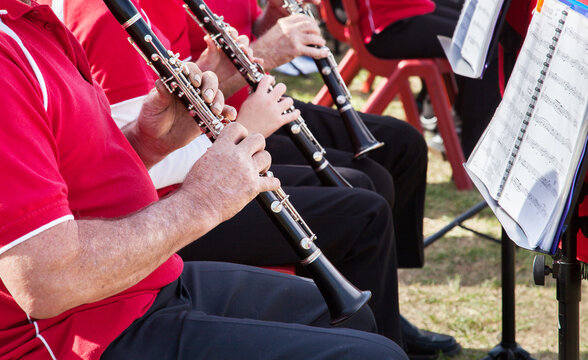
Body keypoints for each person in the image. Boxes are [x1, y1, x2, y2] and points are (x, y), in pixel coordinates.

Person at [0, 0, 411, 358]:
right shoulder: (24, 45)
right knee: (375, 351)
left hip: (140, 281)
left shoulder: (34, 22)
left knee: (351, 315)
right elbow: (47, 281)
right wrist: (204, 198)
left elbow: (72, 176)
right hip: (80, 332)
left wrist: (148, 143)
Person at [139, 0, 460, 359]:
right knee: (366, 197)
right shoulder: (119, 16)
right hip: (189, 180)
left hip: (231, 123)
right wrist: (247, 120)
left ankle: (385, 311)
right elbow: (149, 141)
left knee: (397, 151)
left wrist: (269, 21)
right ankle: (375, 329)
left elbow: (191, 88)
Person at [351, 0, 502, 157]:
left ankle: (462, 132)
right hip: (387, 25)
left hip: (404, 9)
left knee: (483, 32)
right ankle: (476, 151)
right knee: (484, 49)